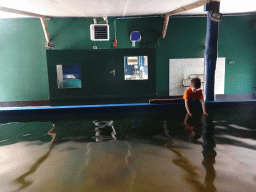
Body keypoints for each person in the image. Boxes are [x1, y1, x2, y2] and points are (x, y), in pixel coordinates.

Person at [183, 77, 208, 143]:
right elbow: (186, 103)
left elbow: (202, 101)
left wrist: (204, 111)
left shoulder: (199, 91)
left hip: (196, 109)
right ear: (190, 86)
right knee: (186, 122)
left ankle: (195, 132)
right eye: (194, 90)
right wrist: (188, 112)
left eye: (197, 89)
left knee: (199, 123)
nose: (195, 91)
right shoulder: (187, 91)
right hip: (189, 108)